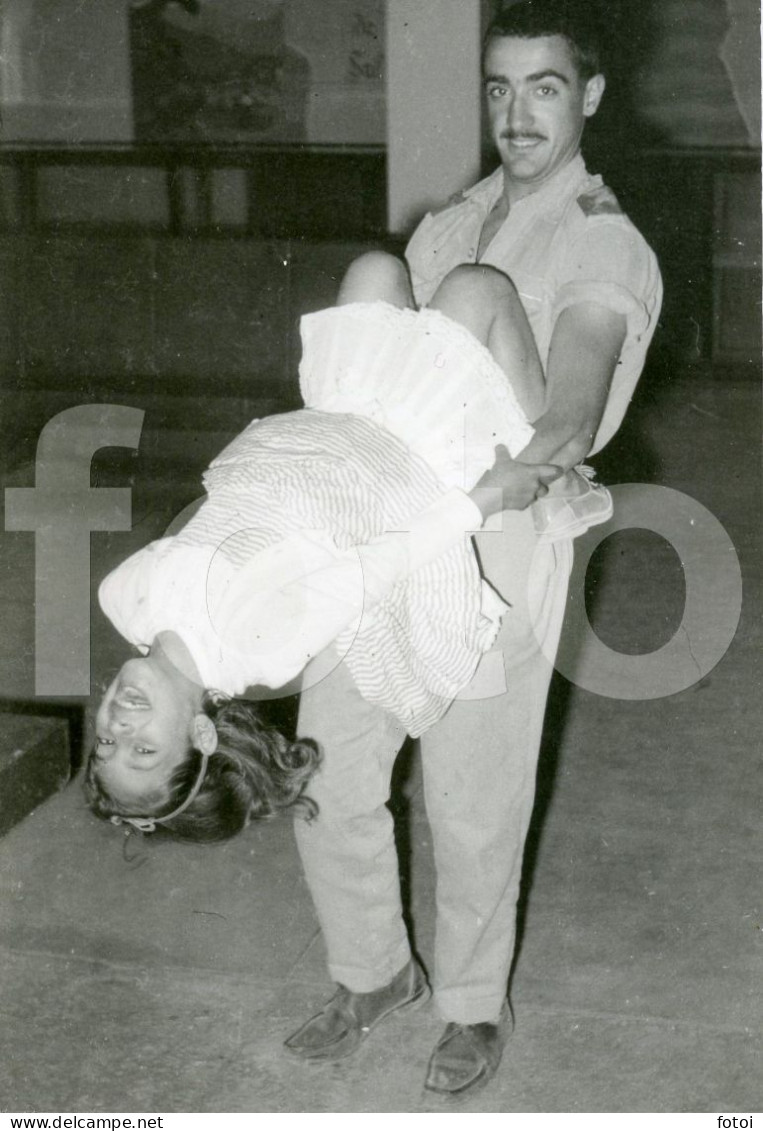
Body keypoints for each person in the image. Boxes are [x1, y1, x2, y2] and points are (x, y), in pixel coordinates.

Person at [284, 0, 663, 1100]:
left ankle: (471, 1004)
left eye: (543, 87)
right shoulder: (447, 220)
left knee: (469, 793)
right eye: (499, 89)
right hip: (392, 523)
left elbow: (575, 409)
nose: (517, 113)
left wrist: (503, 476)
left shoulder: (602, 236)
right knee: (328, 764)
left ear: (587, 96)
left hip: (502, 530)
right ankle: (370, 975)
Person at [86, 255, 610, 840]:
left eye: (108, 743)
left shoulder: (121, 600)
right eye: (144, 751)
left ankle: (489, 408)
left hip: (332, 427)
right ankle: (548, 457)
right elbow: (379, 566)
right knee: (477, 288)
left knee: (374, 269)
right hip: (405, 458)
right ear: (201, 735)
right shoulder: (256, 648)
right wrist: (485, 498)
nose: (123, 726)